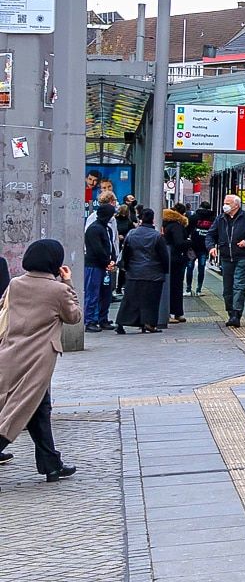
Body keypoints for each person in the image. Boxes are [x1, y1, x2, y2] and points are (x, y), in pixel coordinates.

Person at [0, 239, 82, 480]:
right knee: (20, 410)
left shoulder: (16, 284)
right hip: (39, 359)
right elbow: (74, 317)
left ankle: (51, 463)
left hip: (11, 353)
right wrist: (67, 282)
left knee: (37, 408)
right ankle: (49, 462)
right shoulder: (58, 290)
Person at [207, 193, 245, 327]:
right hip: (226, 258)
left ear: (236, 205)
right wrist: (211, 247)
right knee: (227, 288)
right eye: (225, 203)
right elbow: (210, 234)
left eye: (228, 203)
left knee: (239, 285)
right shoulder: (220, 219)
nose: (225, 206)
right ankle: (230, 312)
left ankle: (236, 314)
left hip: (242, 257)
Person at [116, 209, 168, 334]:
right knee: (151, 301)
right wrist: (164, 270)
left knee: (130, 299)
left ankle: (121, 323)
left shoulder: (131, 234)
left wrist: (127, 267)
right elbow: (164, 257)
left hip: (134, 272)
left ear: (141, 219)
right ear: (153, 220)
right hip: (153, 274)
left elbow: (126, 254)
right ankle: (149, 324)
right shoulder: (157, 236)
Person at [83, 203, 117, 333]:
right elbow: (98, 249)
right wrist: (108, 261)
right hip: (94, 266)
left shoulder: (104, 228)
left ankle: (102, 318)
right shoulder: (94, 229)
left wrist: (112, 259)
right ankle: (90, 320)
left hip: (102, 265)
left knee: (105, 294)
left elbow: (110, 245)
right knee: (93, 294)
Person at [163, 202, 190, 324]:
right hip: (176, 260)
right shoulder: (176, 226)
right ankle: (176, 313)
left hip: (167, 258)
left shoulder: (165, 223)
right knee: (176, 287)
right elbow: (179, 243)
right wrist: (190, 242)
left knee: (169, 286)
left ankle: (171, 312)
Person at [186, 200, 215, 294]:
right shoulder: (212, 218)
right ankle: (199, 290)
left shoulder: (194, 217)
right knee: (201, 268)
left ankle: (188, 289)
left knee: (190, 267)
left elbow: (187, 230)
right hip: (204, 247)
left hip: (192, 246)